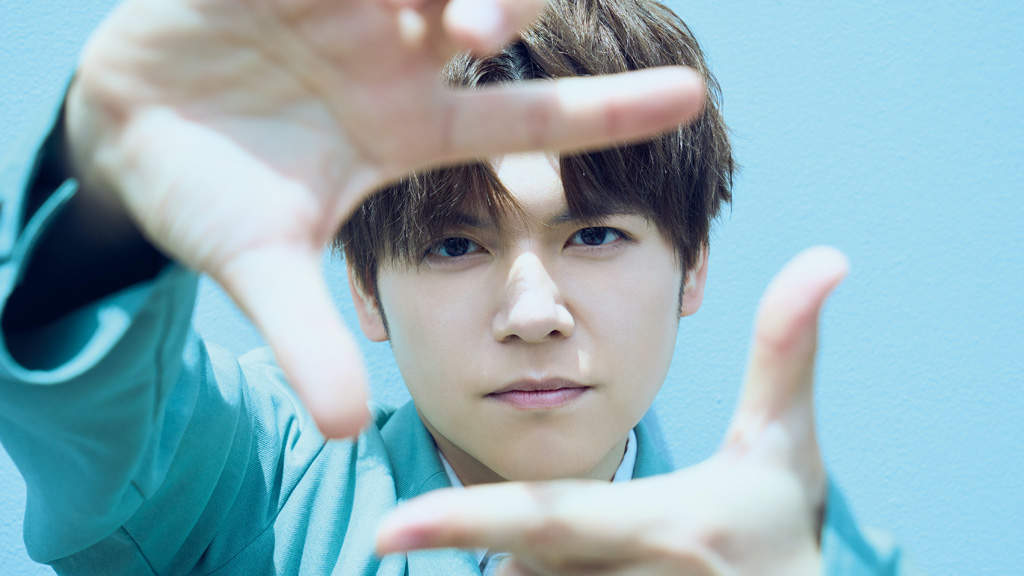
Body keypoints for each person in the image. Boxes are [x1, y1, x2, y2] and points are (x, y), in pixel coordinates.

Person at [0, 0, 908, 574]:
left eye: (595, 235)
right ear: (365, 289)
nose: (533, 314)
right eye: (454, 245)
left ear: (693, 265)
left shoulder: (770, 553)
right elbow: (94, 414)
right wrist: (106, 206)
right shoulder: (254, 485)